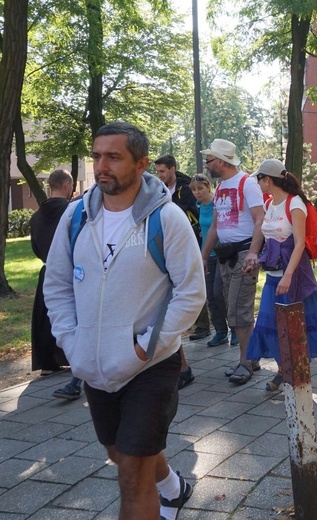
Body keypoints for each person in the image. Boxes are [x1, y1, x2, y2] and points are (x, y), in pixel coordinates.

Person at [44, 122, 205, 520]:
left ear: (141, 163)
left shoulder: (166, 218)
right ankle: (172, 486)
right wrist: (70, 340)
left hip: (149, 364)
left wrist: (146, 344)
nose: (102, 166)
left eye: (114, 157)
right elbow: (57, 283)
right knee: (121, 453)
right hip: (93, 364)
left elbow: (191, 292)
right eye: (98, 155)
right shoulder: (75, 216)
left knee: (132, 476)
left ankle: (161, 491)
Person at [245, 159, 317, 388]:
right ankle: (285, 370)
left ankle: (294, 371)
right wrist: (257, 259)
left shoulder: (295, 204)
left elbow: (300, 243)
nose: (258, 183)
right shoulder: (269, 204)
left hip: (295, 277)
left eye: (259, 179)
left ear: (267, 180)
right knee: (269, 325)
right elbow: (269, 239)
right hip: (274, 277)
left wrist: (288, 275)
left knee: (294, 327)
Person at [200, 138, 265, 384]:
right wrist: (204, 255)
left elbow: (260, 219)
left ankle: (245, 362)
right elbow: (216, 225)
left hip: (243, 254)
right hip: (225, 255)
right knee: (230, 305)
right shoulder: (222, 187)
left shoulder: (247, 184)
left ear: (220, 161)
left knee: (238, 309)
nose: (206, 165)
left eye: (208, 161)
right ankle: (252, 355)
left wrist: (253, 252)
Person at [155, 155, 205, 389]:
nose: (160, 176)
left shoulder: (185, 189)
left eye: (163, 171)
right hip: (163, 250)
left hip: (187, 245)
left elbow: (192, 215)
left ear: (173, 170)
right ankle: (179, 367)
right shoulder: (156, 190)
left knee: (183, 299)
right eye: (158, 172)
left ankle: (183, 366)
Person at [29, 169, 81, 398]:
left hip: (48, 269)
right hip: (72, 271)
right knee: (75, 316)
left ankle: (48, 362)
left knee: (48, 316)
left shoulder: (36, 216)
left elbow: (36, 249)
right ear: (68, 185)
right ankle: (75, 359)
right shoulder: (72, 212)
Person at [190, 174, 237, 347]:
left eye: (200, 188)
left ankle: (235, 329)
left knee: (220, 293)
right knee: (209, 295)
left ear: (208, 187)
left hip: (222, 254)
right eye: (194, 190)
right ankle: (220, 332)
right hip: (206, 255)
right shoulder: (198, 206)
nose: (197, 193)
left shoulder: (218, 202)